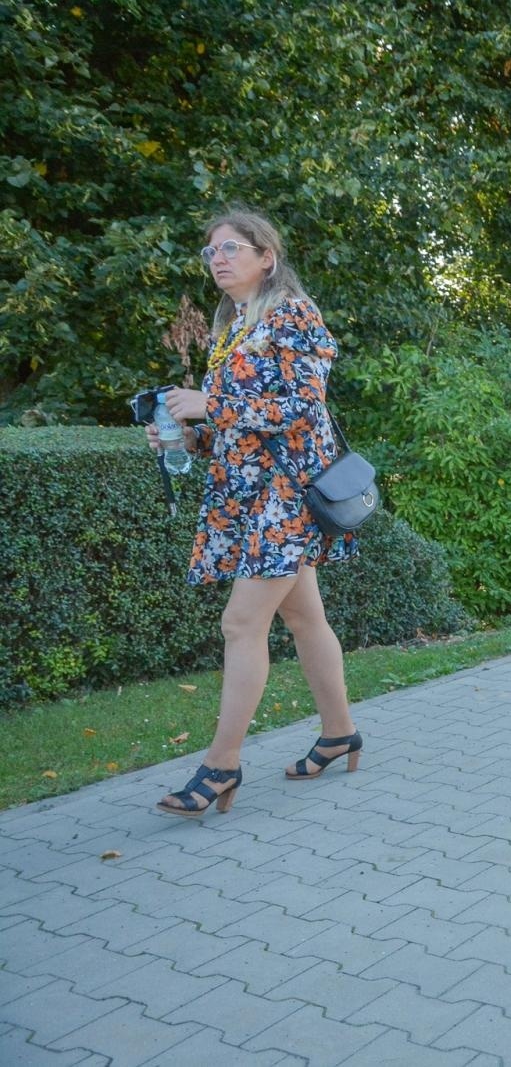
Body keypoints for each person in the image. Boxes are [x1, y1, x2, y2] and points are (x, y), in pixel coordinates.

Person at [150, 209, 361, 817]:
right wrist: (186, 436)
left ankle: (222, 765)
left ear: (266, 257)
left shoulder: (293, 314)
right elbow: (235, 424)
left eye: (231, 248)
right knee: (304, 618)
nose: (217, 259)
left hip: (287, 495)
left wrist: (210, 403)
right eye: (210, 251)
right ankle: (340, 733)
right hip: (248, 495)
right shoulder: (232, 326)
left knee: (241, 623)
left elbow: (302, 406)